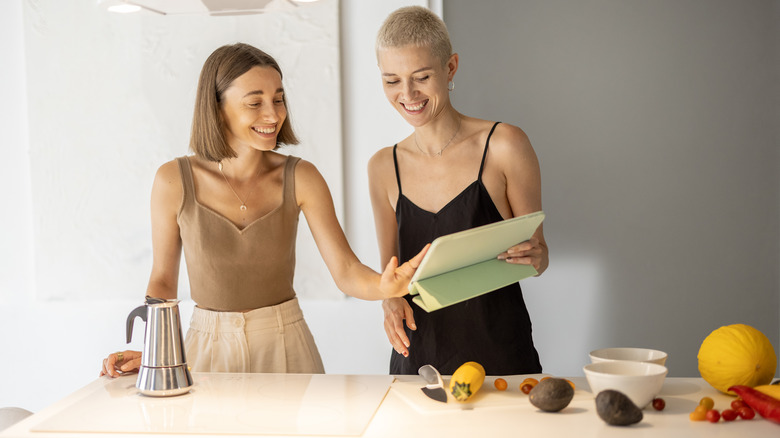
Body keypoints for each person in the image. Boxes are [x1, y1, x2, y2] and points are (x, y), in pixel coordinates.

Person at [100, 43, 427, 377]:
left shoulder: (301, 176)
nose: (273, 115)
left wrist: (385, 288)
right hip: (206, 348)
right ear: (216, 108)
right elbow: (163, 280)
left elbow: (345, 270)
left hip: (287, 345)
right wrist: (154, 350)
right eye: (254, 103)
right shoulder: (173, 180)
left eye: (278, 99)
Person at [369, 6, 549, 376]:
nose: (407, 94)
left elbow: (539, 257)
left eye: (421, 76)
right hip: (417, 361)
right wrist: (388, 301)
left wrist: (536, 255)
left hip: (501, 357)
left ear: (450, 68)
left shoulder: (504, 145)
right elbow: (390, 276)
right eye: (391, 80)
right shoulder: (383, 167)